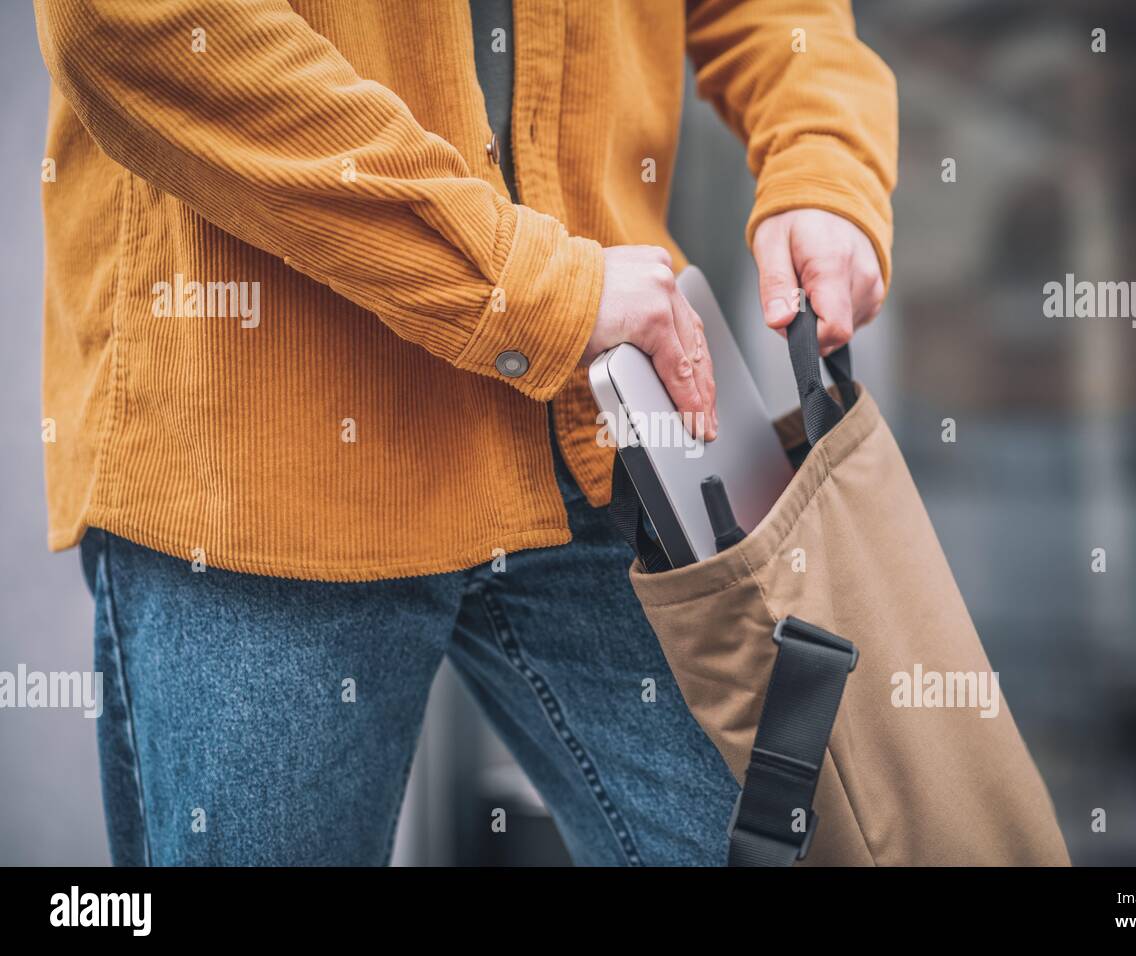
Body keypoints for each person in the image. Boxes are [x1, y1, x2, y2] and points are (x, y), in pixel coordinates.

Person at [34, 0, 897, 866]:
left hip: (606, 428)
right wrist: (526, 286)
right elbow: (126, 21)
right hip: (266, 449)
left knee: (790, 844)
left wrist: (825, 160)